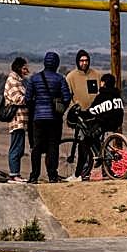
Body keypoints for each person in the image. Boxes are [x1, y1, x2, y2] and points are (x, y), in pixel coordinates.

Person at [24, 51, 72, 183]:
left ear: (44, 63)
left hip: (38, 118)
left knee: (36, 147)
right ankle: (52, 175)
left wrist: (35, 109)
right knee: (53, 146)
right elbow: (67, 97)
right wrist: (60, 110)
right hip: (54, 119)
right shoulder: (60, 79)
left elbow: (27, 99)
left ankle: (34, 176)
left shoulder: (34, 78)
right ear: (56, 64)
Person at [67, 73, 124, 180]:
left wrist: (81, 113)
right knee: (95, 140)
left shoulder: (102, 96)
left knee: (84, 144)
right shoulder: (117, 96)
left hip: (104, 123)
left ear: (103, 83)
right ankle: (106, 167)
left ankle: (79, 174)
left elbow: (92, 111)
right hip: (115, 123)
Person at [1, 56, 31, 182]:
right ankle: (14, 174)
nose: (27, 71)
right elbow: (18, 99)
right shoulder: (13, 81)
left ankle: (16, 173)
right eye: (24, 68)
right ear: (19, 68)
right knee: (16, 147)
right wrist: (31, 98)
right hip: (17, 119)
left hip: (21, 120)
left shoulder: (18, 81)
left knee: (19, 147)